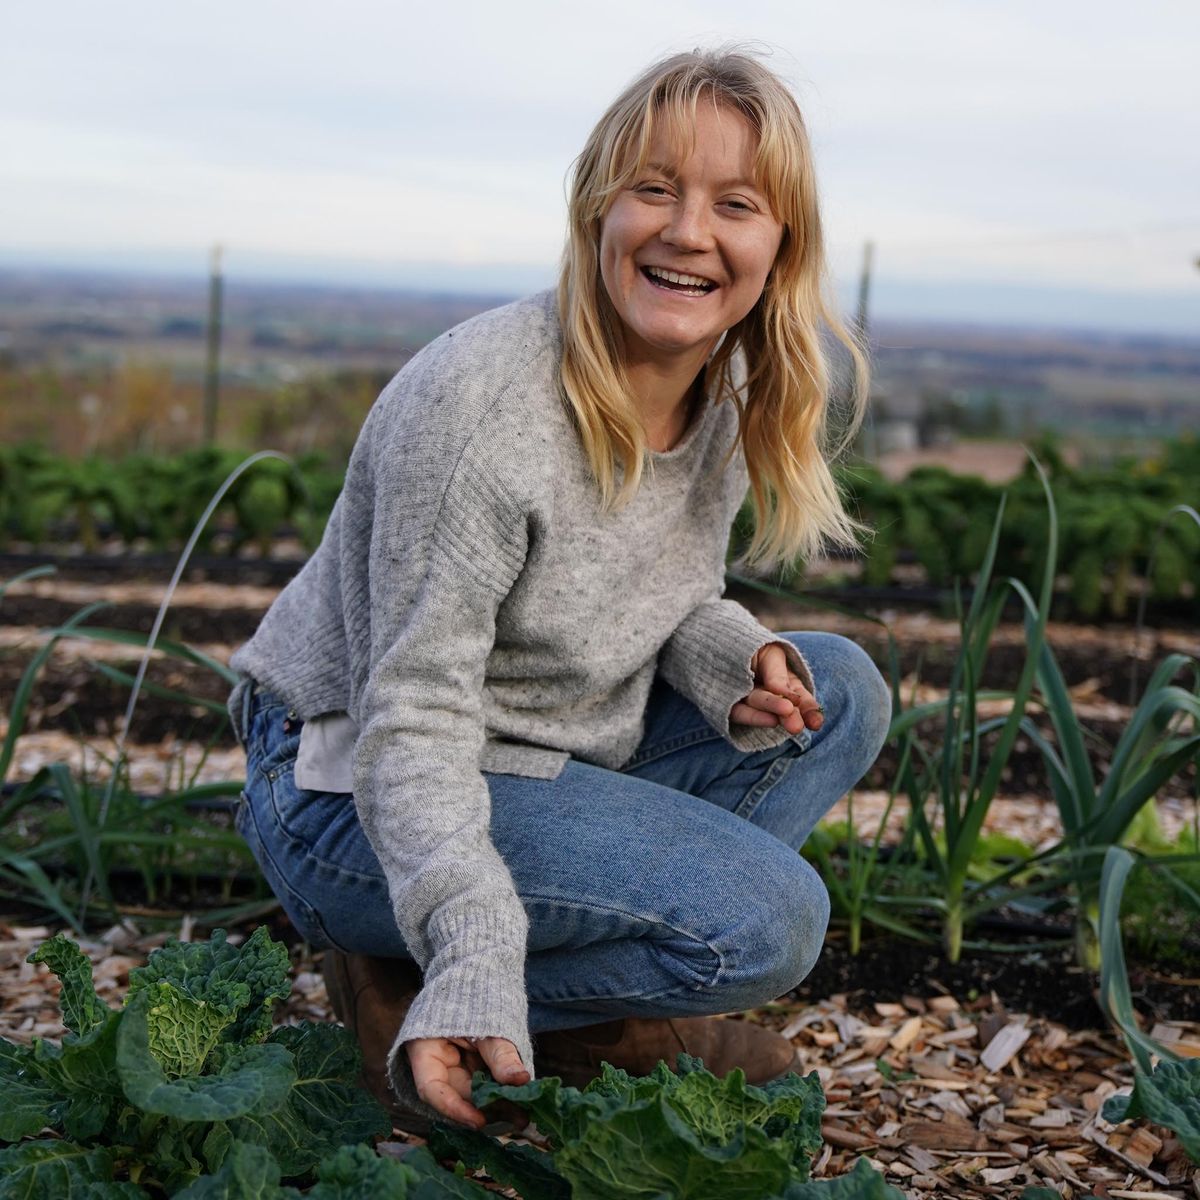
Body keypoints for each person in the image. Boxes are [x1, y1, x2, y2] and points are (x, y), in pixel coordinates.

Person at [227, 46, 892, 1133]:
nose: (689, 232)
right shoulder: (484, 409)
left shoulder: (717, 400)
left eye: (735, 204)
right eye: (655, 190)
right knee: (766, 926)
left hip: (529, 748)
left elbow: (654, 596)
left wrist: (730, 658)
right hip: (348, 784)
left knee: (840, 688)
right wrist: (475, 940)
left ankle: (478, 1005)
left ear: (779, 248)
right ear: (596, 212)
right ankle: (458, 993)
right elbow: (416, 712)